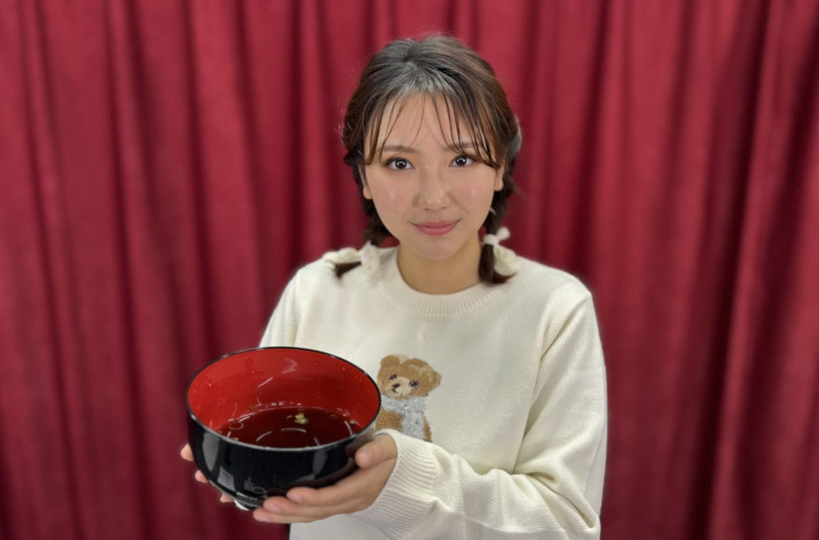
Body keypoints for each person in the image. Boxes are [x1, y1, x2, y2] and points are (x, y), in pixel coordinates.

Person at [181, 34, 608, 539]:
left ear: (500, 168)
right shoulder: (317, 292)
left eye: (463, 159)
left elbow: (567, 525)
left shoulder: (555, 310)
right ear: (364, 177)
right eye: (399, 163)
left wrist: (399, 484)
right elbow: (271, 443)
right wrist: (243, 467)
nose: (433, 196)